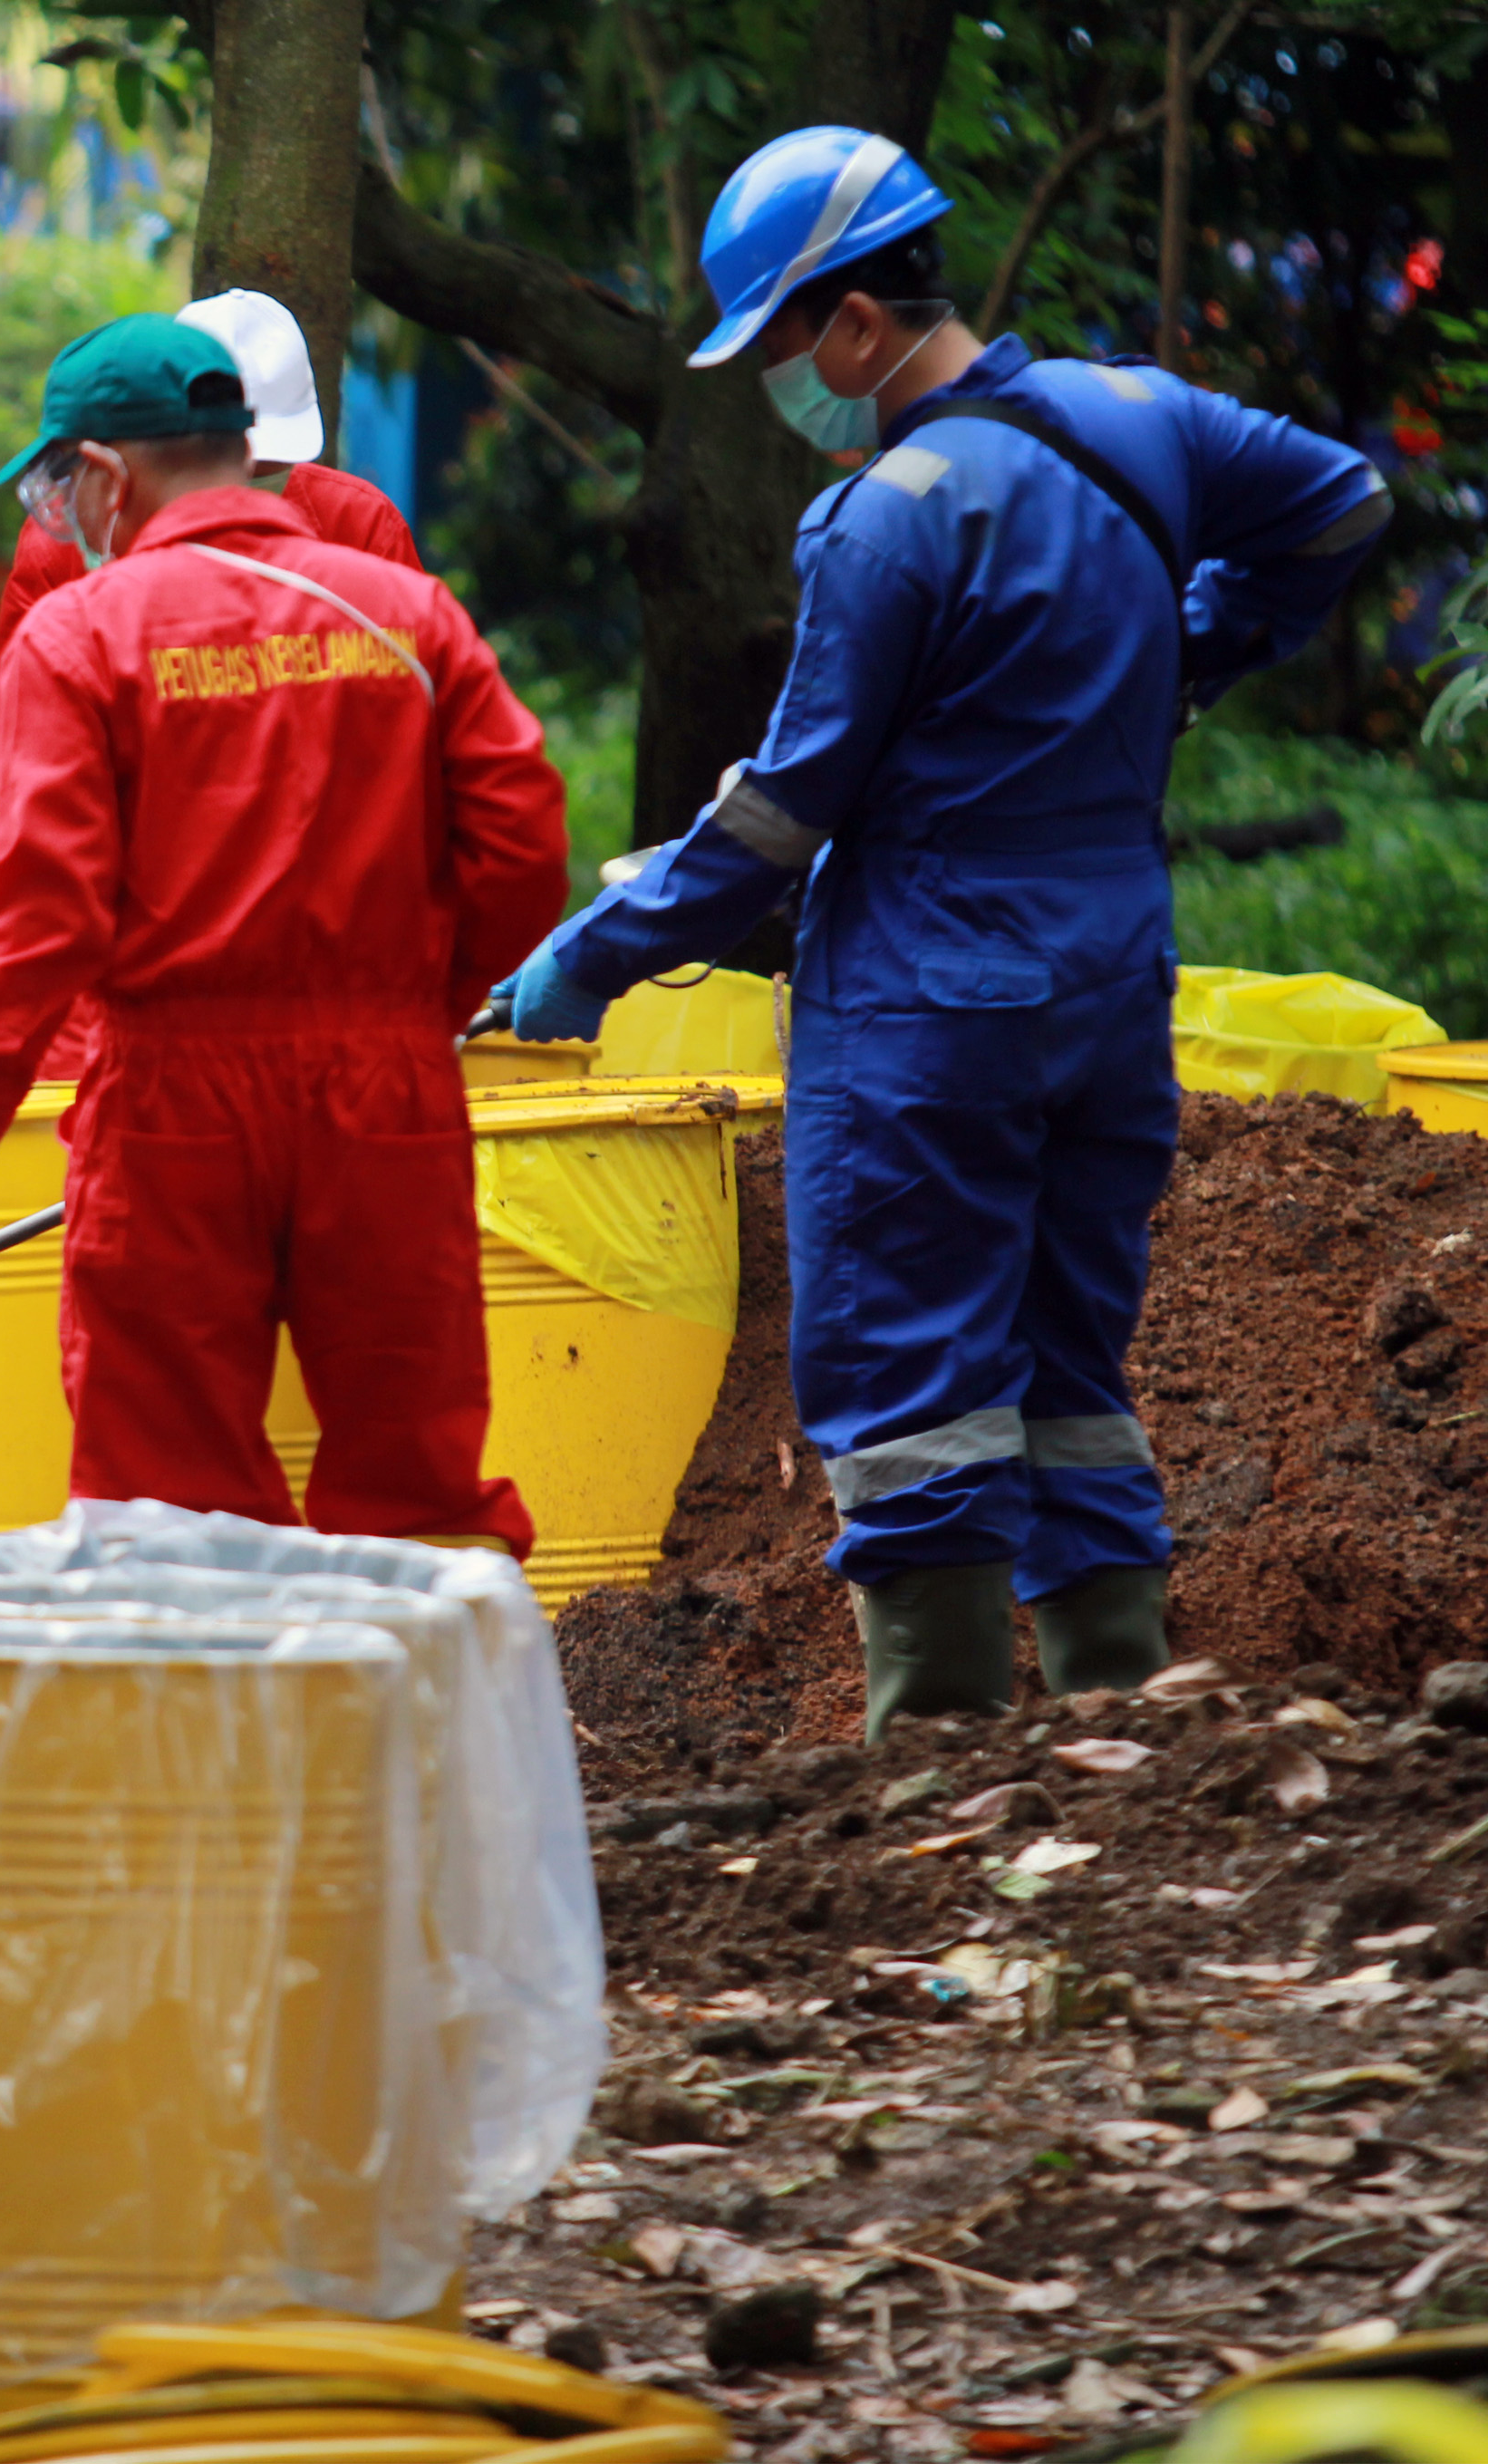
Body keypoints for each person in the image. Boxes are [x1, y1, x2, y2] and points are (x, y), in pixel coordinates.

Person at [493, 128, 1389, 1735]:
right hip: (1110, 977)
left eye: (779, 347)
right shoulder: (1145, 415)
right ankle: (1120, 1732)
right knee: (1071, 1363)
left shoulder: (889, 516)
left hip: (931, 997)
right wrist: (1185, 657)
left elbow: (785, 812)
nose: (782, 386)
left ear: (852, 323)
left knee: (909, 1373)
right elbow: (1344, 504)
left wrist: (596, 952)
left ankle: (940, 1770)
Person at [0, 315, 569, 1541]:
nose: (58, 514)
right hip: (384, 1091)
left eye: (57, 484)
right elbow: (523, 843)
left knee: (164, 1491)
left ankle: (210, 1674)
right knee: (415, 1476)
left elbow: (40, 919)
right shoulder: (403, 610)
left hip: (171, 1106)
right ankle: (433, 1673)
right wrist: (420, 1008)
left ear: (107, 471)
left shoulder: (83, 634)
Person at [0, 287, 420, 894]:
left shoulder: (360, 528)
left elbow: (412, 726)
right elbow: (17, 707)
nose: (234, 493)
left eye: (266, 475)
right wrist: (1, 798)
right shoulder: (63, 543)